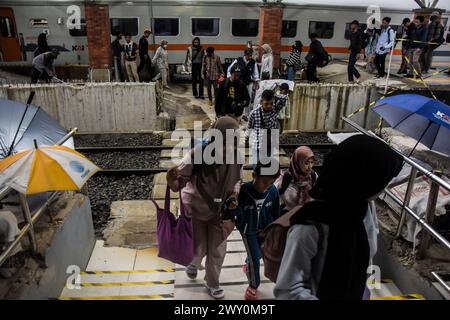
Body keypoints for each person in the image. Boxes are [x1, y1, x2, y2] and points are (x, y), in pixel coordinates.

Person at [274, 135, 403, 300]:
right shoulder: (309, 226)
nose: (383, 188)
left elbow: (367, 254)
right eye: (381, 181)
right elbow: (288, 290)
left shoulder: (362, 210)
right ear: (364, 180)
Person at [166, 116, 243, 300]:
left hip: (220, 212)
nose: (227, 148)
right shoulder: (197, 154)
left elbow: (238, 179)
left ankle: (212, 282)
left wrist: (234, 195)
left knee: (217, 249)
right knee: (198, 245)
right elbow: (178, 182)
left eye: (232, 141)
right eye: (225, 142)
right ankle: (194, 262)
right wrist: (171, 178)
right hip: (195, 209)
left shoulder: (236, 157)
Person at [223, 161, 281, 300]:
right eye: (263, 182)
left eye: (270, 183)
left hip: (264, 231)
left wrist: (269, 227)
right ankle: (253, 286)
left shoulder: (272, 191)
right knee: (256, 259)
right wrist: (232, 207)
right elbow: (234, 213)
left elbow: (275, 212)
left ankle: (248, 264)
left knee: (258, 254)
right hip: (248, 232)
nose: (266, 187)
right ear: (254, 175)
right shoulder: (244, 191)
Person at [247, 89, 288, 164]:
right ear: (261, 101)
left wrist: (273, 95)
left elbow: (284, 98)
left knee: (268, 165)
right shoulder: (254, 113)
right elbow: (249, 127)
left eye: (271, 103)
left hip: (270, 142)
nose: (269, 106)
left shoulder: (274, 109)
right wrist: (246, 139)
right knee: (256, 166)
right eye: (266, 104)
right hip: (257, 144)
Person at [274, 146, 317, 213]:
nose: (310, 167)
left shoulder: (313, 176)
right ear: (297, 162)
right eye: (306, 163)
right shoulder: (285, 178)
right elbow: (275, 197)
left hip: (307, 215)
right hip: (287, 216)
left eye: (312, 162)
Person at [227, 49, 260, 117]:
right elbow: (230, 69)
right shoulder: (238, 60)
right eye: (249, 55)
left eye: (251, 55)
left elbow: (255, 74)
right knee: (238, 97)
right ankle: (237, 113)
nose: (250, 57)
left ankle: (246, 114)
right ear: (245, 55)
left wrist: (256, 82)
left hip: (248, 83)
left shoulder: (253, 62)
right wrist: (230, 79)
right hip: (239, 83)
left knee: (248, 98)